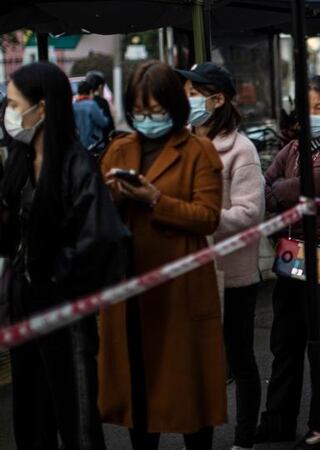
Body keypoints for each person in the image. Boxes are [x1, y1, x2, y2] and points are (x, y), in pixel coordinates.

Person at [98, 60, 227, 449]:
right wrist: (113, 196)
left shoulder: (198, 150)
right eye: (139, 110)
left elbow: (207, 217)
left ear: (174, 106)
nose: (147, 118)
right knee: (138, 386)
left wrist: (156, 200)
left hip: (180, 286)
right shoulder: (120, 148)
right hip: (131, 285)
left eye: (155, 110)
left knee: (189, 390)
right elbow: (98, 218)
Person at [0, 62, 128, 450]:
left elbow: (104, 238)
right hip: (23, 305)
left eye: (13, 102)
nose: (7, 110)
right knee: (31, 414)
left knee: (76, 416)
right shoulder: (20, 160)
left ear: (42, 108)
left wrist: (55, 274)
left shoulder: (77, 164)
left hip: (65, 309)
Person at [258, 75, 320, 449]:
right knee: (285, 342)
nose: (312, 114)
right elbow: (266, 187)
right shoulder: (293, 149)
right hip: (293, 249)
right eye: (306, 106)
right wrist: (280, 191)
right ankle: (276, 422)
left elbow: (295, 189)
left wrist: (281, 190)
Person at [178, 62, 266, 450]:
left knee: (240, 358)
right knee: (197, 364)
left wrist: (198, 219)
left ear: (217, 99)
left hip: (233, 275)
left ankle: (244, 439)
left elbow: (250, 212)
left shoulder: (240, 150)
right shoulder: (179, 140)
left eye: (195, 92)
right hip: (191, 271)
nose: (187, 99)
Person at [73, 80, 109, 152]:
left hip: (79, 145)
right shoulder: (92, 105)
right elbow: (103, 123)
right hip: (93, 144)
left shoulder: (74, 106)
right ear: (90, 92)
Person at [85, 70, 115, 150]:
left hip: (84, 146)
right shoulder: (102, 102)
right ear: (100, 87)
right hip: (100, 145)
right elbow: (109, 126)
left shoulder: (79, 103)